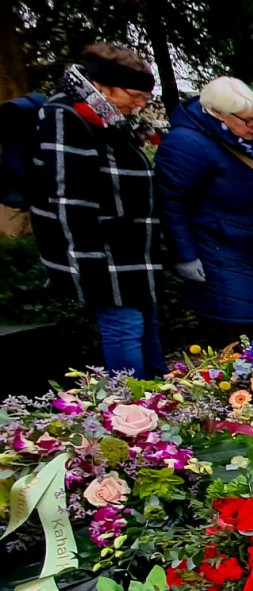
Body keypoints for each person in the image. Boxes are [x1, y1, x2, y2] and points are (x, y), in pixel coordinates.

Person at [27, 44, 166, 378]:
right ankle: (135, 409)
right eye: (134, 94)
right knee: (124, 326)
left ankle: (161, 401)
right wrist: (86, 262)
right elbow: (69, 198)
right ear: (103, 85)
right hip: (103, 248)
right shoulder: (64, 114)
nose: (141, 103)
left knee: (147, 323)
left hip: (129, 243)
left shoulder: (109, 116)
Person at [154, 76, 253, 346]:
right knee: (238, 328)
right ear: (217, 114)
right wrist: (186, 257)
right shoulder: (185, 144)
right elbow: (172, 205)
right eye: (248, 121)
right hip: (217, 248)